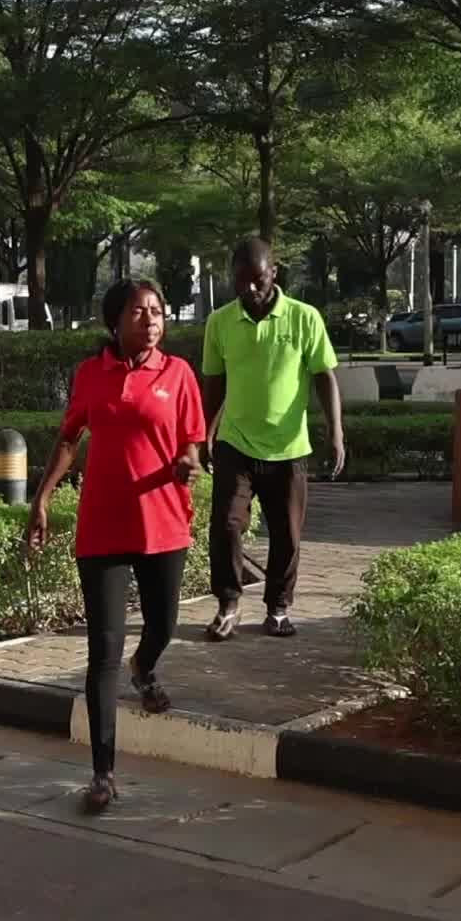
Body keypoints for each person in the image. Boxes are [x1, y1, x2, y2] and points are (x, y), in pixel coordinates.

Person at [26, 279, 205, 814]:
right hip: (102, 527)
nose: (150, 320)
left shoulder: (178, 374)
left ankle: (145, 668)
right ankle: (102, 774)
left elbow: (191, 440)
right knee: (101, 653)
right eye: (138, 311)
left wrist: (190, 461)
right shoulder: (89, 375)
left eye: (157, 311)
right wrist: (41, 500)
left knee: (163, 625)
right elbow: (67, 438)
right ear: (115, 321)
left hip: (162, 523)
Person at [199, 238, 345, 640]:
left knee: (287, 534)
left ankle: (278, 608)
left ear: (274, 273)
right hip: (235, 443)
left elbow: (324, 377)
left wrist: (336, 432)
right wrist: (203, 434)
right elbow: (214, 385)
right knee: (227, 525)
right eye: (241, 280)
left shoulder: (304, 318)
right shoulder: (220, 322)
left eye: (258, 279)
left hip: (288, 447)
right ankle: (228, 604)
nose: (249, 289)